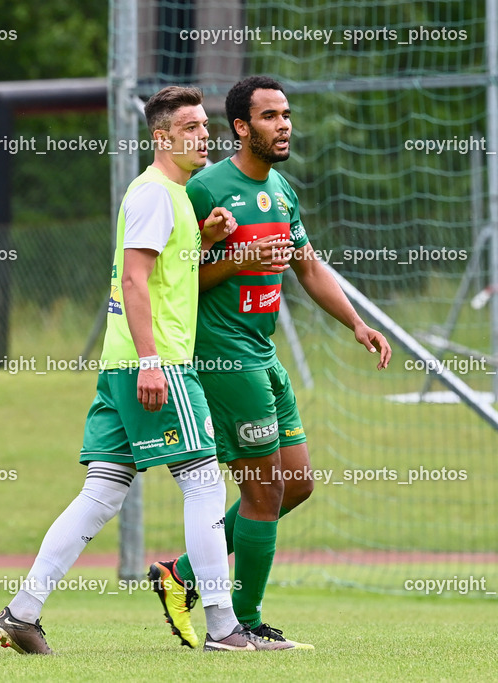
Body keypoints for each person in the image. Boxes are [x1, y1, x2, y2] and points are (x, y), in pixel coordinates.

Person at [0, 86, 290, 654]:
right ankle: (226, 628)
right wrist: (153, 363)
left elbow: (163, 274)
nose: (205, 136)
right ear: (162, 138)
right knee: (203, 481)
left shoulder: (174, 197)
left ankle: (22, 612)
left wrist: (205, 239)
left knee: (101, 493)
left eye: (206, 125)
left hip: (122, 364)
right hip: (155, 363)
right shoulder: (154, 192)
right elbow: (133, 281)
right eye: (192, 127)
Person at [150, 75, 392, 650]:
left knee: (298, 484)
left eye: (285, 114)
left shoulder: (281, 189)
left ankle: (180, 574)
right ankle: (243, 624)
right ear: (241, 127)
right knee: (264, 492)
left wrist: (356, 323)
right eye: (269, 116)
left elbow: (307, 267)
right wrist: (238, 260)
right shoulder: (205, 188)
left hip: (263, 352)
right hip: (224, 357)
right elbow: (174, 279)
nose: (283, 124)